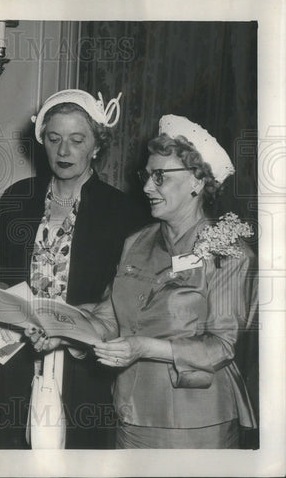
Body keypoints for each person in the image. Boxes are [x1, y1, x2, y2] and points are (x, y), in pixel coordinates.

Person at [28, 115, 258, 448]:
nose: (147, 187)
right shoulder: (137, 242)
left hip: (197, 423)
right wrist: (61, 331)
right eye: (147, 176)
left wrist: (144, 347)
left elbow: (220, 346)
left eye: (160, 177)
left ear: (197, 181)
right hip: (131, 415)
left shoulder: (228, 251)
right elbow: (109, 316)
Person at [0, 89, 147, 449]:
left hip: (84, 368)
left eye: (77, 140)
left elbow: (126, 304)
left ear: (97, 146)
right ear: (42, 140)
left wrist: (73, 333)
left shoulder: (124, 213)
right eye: (54, 139)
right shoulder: (16, 200)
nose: (64, 151)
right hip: (16, 360)